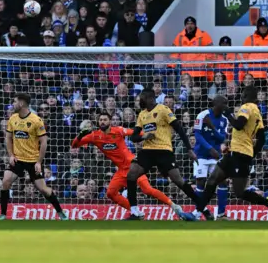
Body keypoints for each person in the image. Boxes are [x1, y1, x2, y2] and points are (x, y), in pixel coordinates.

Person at [191, 86, 268, 221]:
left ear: (245, 96)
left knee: (239, 192)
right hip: (235, 153)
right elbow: (262, 138)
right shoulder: (257, 112)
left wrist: (228, 112)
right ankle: (197, 214)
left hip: (240, 155)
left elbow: (239, 124)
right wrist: (252, 153)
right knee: (212, 180)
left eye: (242, 95)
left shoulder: (246, 107)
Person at [71, 112, 186, 218]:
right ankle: (135, 212)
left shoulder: (119, 130)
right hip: (121, 170)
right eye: (100, 120)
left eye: (105, 119)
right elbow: (74, 145)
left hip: (134, 166)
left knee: (147, 190)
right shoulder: (94, 136)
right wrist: (80, 135)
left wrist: (146, 135)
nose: (102, 122)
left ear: (110, 121)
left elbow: (134, 132)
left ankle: (174, 205)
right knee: (111, 193)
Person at [125, 88, 204, 220]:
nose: (140, 101)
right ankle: (135, 212)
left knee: (178, 181)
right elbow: (133, 137)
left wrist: (189, 149)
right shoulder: (142, 114)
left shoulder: (163, 110)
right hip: (148, 151)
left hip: (164, 150)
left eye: (142, 99)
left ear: (150, 98)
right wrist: (144, 136)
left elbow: (179, 128)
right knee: (131, 174)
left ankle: (202, 207)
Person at [0, 93, 67, 220]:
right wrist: (11, 155)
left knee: (44, 189)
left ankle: (61, 212)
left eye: (14, 101)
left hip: (32, 160)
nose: (12, 104)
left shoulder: (36, 120)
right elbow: (8, 138)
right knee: (5, 181)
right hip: (18, 159)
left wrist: (39, 162)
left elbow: (44, 142)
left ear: (21, 103)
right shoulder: (12, 118)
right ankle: (2, 214)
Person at [192, 95, 229, 219]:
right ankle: (202, 211)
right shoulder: (202, 115)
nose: (226, 106)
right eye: (224, 103)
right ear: (216, 104)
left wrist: (212, 127)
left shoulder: (224, 119)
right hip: (201, 155)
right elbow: (197, 135)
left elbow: (222, 138)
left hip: (216, 156)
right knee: (201, 182)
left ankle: (221, 214)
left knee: (222, 181)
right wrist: (209, 148)